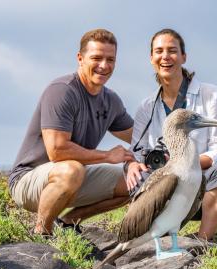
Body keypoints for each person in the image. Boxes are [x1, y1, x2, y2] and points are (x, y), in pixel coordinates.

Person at [8, 28, 146, 236]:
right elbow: (57, 151)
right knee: (72, 170)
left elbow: (141, 137)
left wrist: (135, 161)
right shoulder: (62, 90)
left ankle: (68, 222)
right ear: (80, 58)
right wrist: (107, 156)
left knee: (138, 182)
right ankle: (42, 234)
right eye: (96, 58)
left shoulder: (111, 100)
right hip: (28, 181)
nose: (104, 66)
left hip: (73, 178)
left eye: (110, 59)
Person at [126, 28, 217, 241]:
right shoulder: (146, 107)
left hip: (197, 187)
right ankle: (153, 236)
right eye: (159, 51)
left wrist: (182, 165)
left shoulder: (209, 94)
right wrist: (132, 164)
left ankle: (202, 241)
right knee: (138, 177)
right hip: (163, 191)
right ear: (151, 58)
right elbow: (136, 153)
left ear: (183, 57)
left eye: (172, 51)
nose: (165, 57)